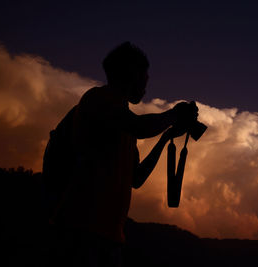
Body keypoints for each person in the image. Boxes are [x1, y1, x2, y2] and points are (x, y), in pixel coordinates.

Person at [48, 42, 198, 267]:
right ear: (133, 74)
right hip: (80, 231)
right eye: (145, 75)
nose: (147, 83)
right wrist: (175, 114)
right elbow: (141, 127)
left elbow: (136, 179)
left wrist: (166, 138)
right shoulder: (98, 99)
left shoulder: (124, 124)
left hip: (108, 237)